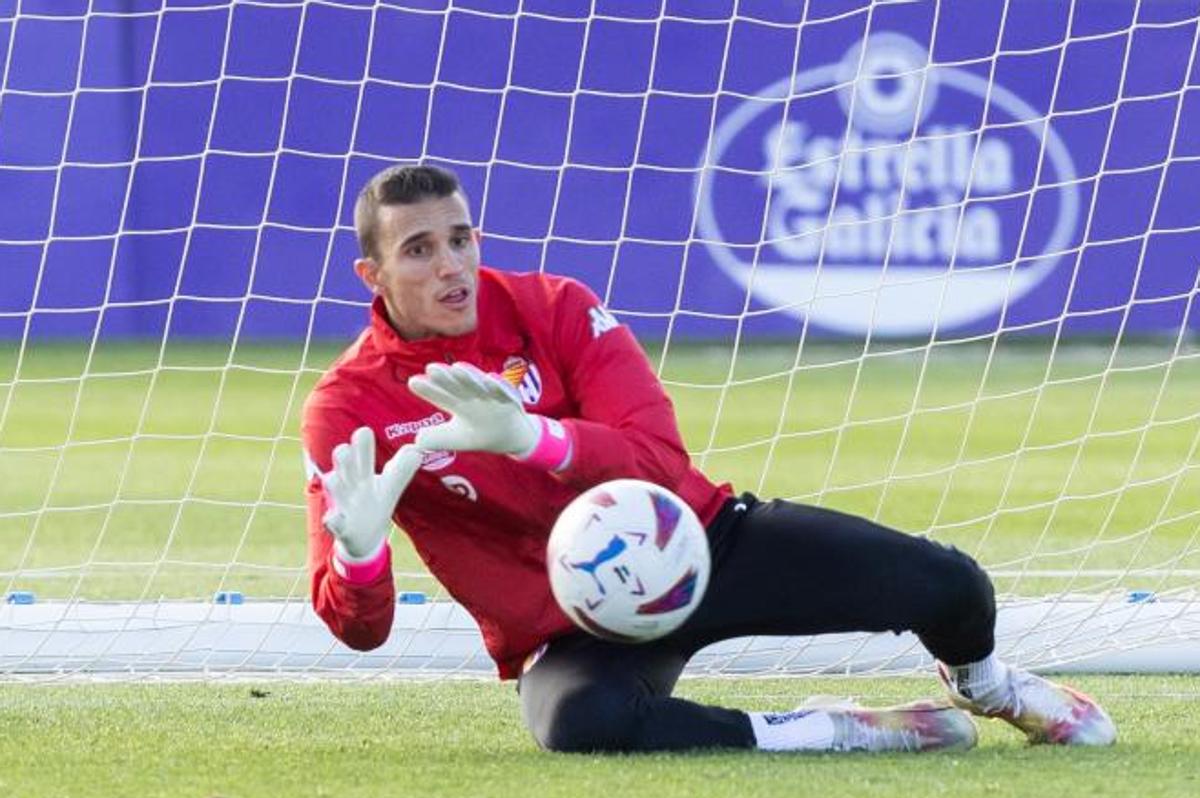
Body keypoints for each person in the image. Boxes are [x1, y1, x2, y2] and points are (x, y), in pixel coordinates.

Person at [302, 163, 1116, 753]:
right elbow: (357, 631)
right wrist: (361, 554)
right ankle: (835, 729)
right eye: (418, 250)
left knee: (954, 587)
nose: (451, 265)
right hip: (579, 621)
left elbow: (658, 459)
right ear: (371, 274)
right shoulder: (350, 409)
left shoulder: (555, 307)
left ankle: (991, 689)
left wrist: (532, 439)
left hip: (703, 541)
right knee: (578, 724)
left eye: (460, 237)